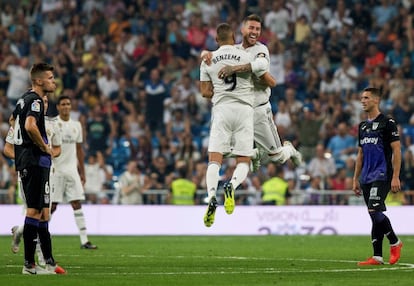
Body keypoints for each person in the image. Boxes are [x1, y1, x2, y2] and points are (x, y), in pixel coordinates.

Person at [201, 14, 302, 171]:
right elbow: (214, 56)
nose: (254, 32)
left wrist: (234, 69)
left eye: (258, 29)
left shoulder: (261, 49)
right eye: (251, 28)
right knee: (223, 150)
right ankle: (254, 153)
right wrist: (205, 54)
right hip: (240, 110)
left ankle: (289, 149)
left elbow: (261, 65)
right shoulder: (234, 49)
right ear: (242, 29)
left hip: (259, 110)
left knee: (277, 156)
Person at [199, 22, 276, 227]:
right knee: (243, 160)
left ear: (216, 40)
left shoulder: (208, 59)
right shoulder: (246, 55)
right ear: (234, 39)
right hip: (244, 110)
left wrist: (220, 91)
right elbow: (264, 75)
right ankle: (231, 186)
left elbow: (205, 92)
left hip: (222, 110)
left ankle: (212, 196)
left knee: (215, 159)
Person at [11, 62, 66, 274]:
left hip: (35, 162)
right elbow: (29, 126)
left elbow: (14, 120)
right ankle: (29, 265)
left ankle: (48, 263)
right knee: (34, 211)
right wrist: (45, 147)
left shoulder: (24, 99)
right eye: (51, 78)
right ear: (39, 81)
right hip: (34, 161)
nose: (53, 81)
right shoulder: (34, 100)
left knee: (43, 213)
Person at [352, 87, 403, 266]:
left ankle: (395, 242)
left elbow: (397, 150)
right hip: (366, 176)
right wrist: (355, 179)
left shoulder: (387, 122)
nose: (363, 101)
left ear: (376, 100)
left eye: (366, 97)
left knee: (374, 211)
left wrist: (395, 176)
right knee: (374, 214)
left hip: (382, 174)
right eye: (361, 98)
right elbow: (360, 154)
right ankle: (377, 256)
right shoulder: (363, 126)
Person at [50, 95, 97, 250]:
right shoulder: (53, 124)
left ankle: (84, 240)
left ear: (71, 106)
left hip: (71, 171)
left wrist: (82, 172)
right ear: (58, 107)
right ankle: (39, 233)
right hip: (56, 171)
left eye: (68, 104)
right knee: (52, 206)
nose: (66, 107)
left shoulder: (76, 125)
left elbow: (79, 150)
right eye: (63, 104)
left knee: (77, 203)